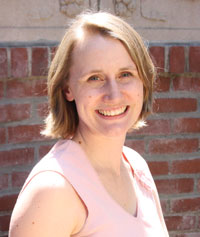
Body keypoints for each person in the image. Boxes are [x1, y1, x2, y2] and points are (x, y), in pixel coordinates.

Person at [9, 11, 169, 237]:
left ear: (143, 81)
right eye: (95, 78)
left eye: (125, 74)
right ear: (68, 89)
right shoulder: (53, 190)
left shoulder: (136, 167)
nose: (113, 95)